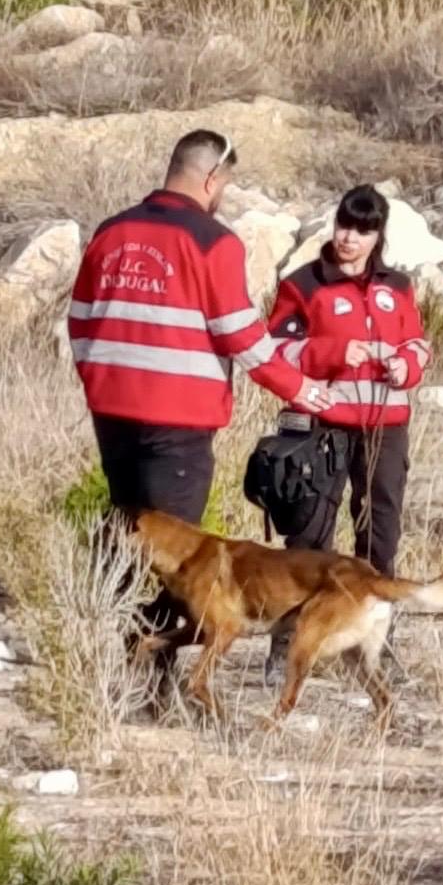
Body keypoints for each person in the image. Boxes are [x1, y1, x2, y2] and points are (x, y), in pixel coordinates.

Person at [67, 128, 331, 705]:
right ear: (211, 178)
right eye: (226, 185)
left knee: (128, 538)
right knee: (174, 552)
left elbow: (80, 320)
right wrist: (302, 389)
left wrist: (99, 381)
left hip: (112, 412)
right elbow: (241, 334)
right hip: (177, 421)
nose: (223, 196)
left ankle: (122, 671)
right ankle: (151, 686)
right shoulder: (214, 241)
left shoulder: (111, 232)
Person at [263, 184, 433, 685]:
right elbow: (273, 351)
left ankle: (376, 644)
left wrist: (406, 366)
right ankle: (287, 647)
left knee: (380, 533)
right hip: (320, 427)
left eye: (362, 230)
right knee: (308, 537)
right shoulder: (303, 284)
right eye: (343, 225)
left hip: (386, 426)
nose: (349, 238)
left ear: (378, 235)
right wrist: (332, 356)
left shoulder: (398, 285)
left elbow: (417, 343)